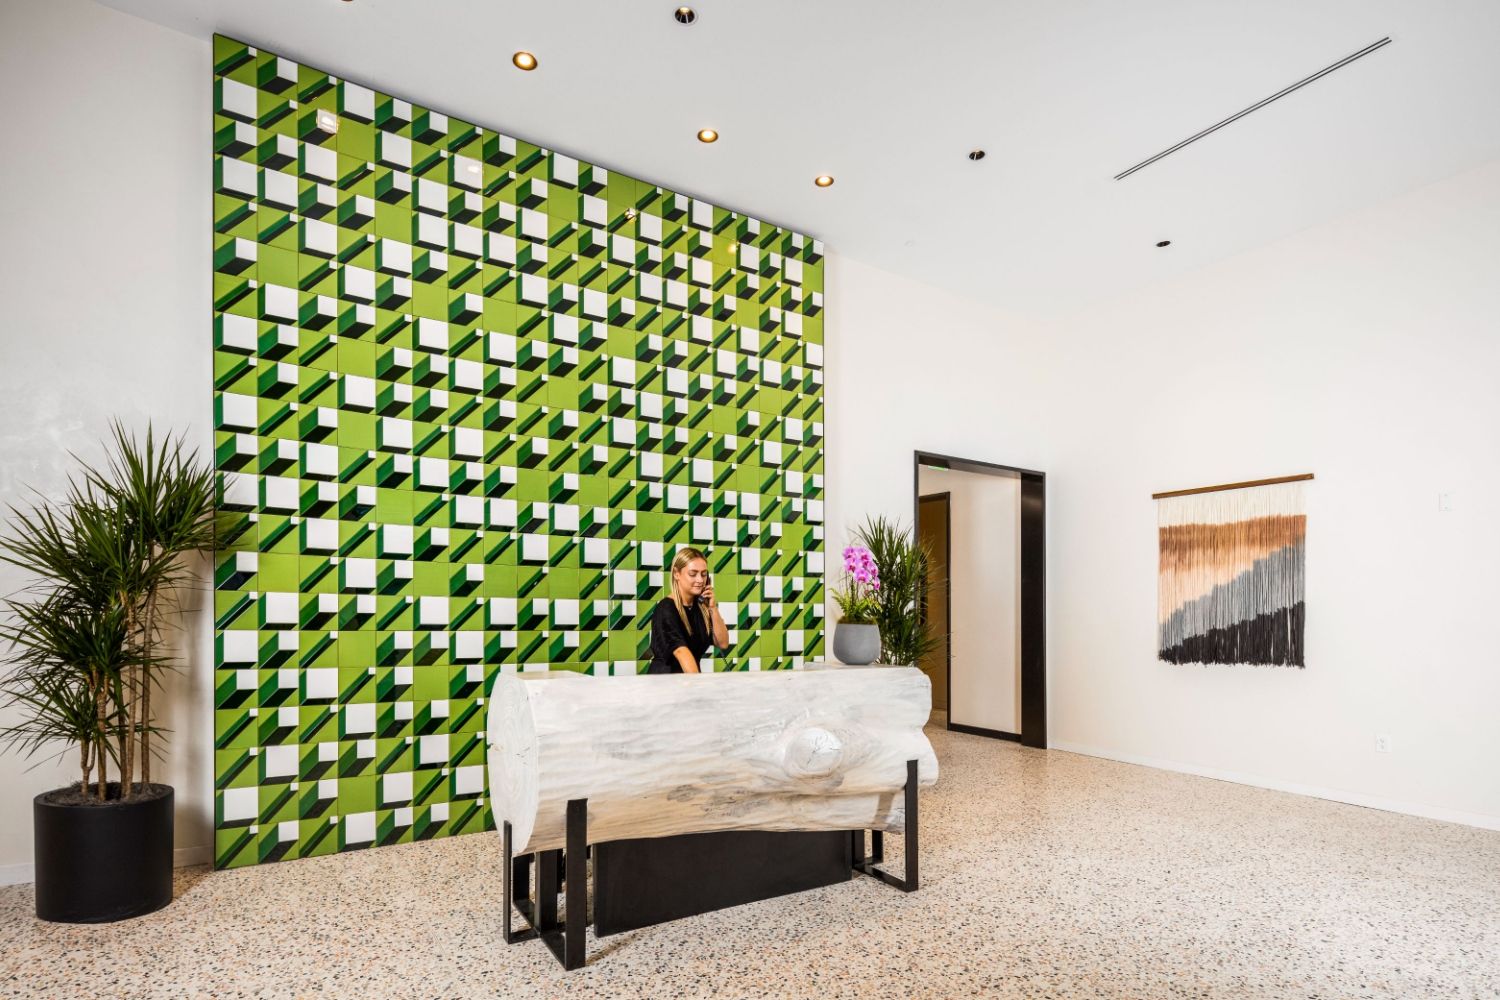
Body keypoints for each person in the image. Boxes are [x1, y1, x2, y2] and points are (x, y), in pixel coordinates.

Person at [647, 547, 730, 673]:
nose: (700, 580)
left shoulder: (700, 607)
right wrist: (697, 687)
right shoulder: (666, 609)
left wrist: (713, 608)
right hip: (667, 683)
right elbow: (681, 652)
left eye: (704, 574)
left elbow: (723, 643)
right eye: (693, 574)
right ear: (676, 574)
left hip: (689, 681)